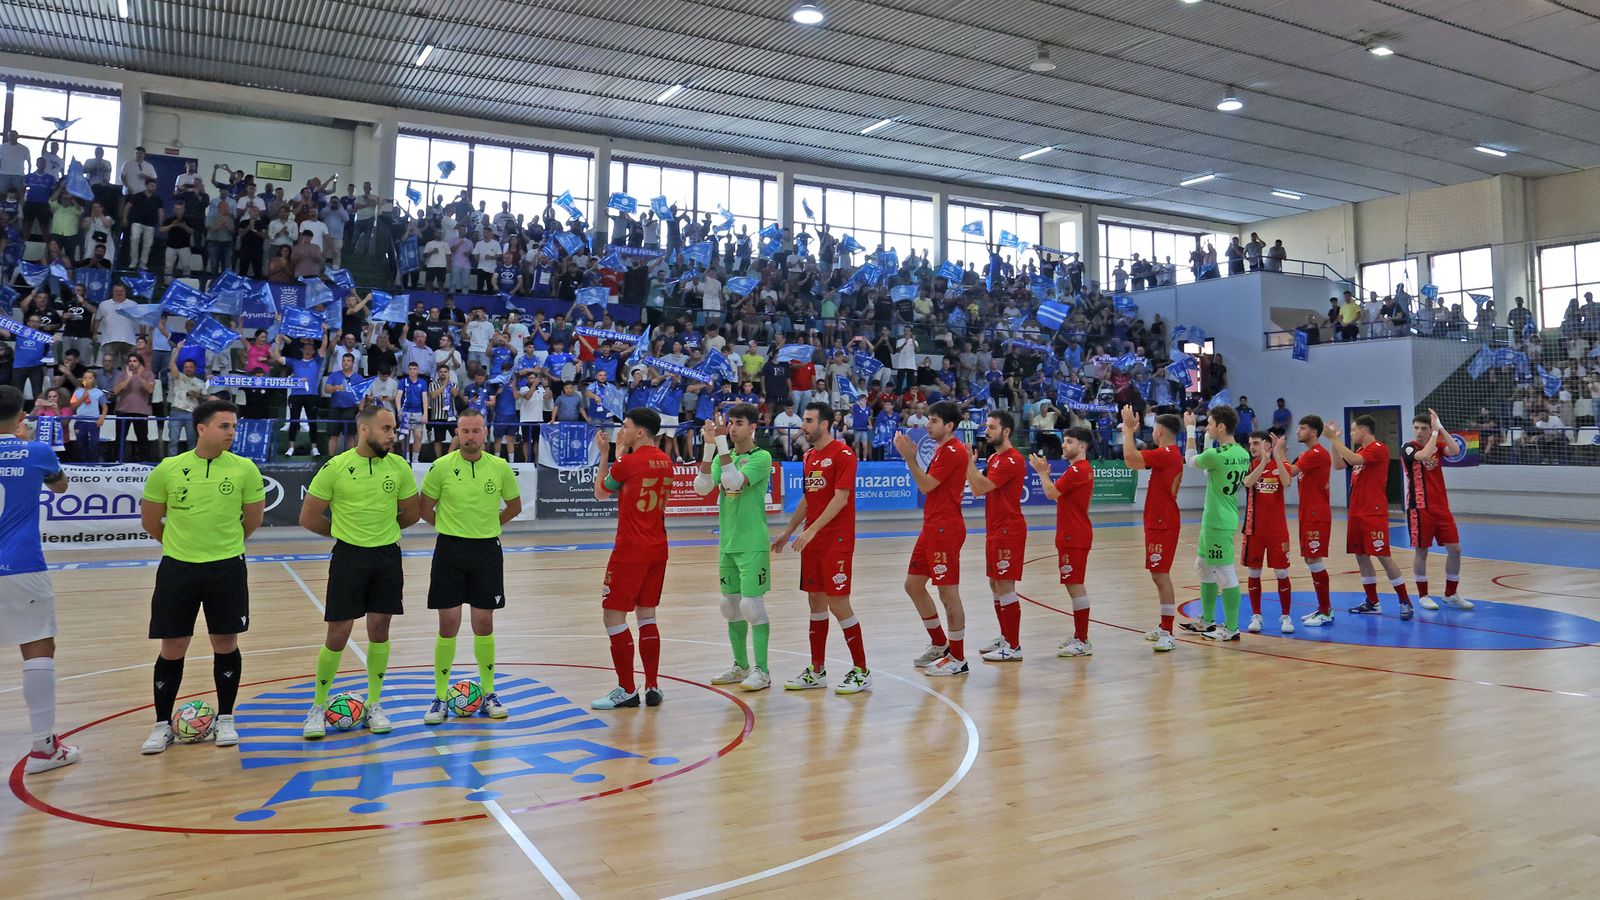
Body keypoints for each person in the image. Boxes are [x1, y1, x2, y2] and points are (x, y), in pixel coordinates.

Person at [137, 399, 265, 754]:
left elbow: (253, 520)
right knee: (173, 646)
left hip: (227, 567)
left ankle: (225, 718)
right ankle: (161, 725)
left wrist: (222, 545)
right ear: (201, 428)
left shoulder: (245, 469)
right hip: (178, 568)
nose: (232, 432)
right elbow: (151, 521)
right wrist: (182, 546)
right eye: (225, 426)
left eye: (234, 426)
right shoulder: (168, 468)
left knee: (225, 642)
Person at [297, 406, 421, 738]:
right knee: (338, 633)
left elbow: (411, 514)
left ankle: (374, 704)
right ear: (364, 430)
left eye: (393, 428)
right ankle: (317, 707)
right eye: (386, 428)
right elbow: (308, 517)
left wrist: (381, 531)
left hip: (387, 557)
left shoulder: (399, 467)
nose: (393, 435)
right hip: (348, 558)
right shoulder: (336, 467)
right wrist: (345, 532)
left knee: (380, 629)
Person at [418, 409, 521, 724]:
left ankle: (489, 693)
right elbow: (425, 507)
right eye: (465, 431)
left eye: (476, 431)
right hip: (449, 550)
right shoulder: (441, 467)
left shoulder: (499, 467)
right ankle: (439, 697)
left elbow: (514, 506)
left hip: (486, 551)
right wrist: (450, 528)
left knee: (483, 623)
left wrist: (489, 526)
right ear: (457, 433)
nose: (471, 437)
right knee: (448, 625)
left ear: (485, 433)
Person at [0, 385, 77, 774]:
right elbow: (61, 485)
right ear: (21, 416)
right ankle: (43, 748)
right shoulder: (36, 452)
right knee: (38, 648)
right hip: (22, 565)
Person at [772, 401, 871, 694]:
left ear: (825, 424)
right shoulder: (809, 456)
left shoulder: (843, 454)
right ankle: (817, 671)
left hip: (836, 540)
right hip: (812, 542)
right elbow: (808, 499)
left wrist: (812, 530)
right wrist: (788, 531)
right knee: (815, 602)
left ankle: (862, 671)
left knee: (838, 603)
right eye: (804, 420)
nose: (804, 425)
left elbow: (841, 498)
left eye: (809, 420)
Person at [589, 408, 672, 709]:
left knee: (613, 615)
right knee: (647, 615)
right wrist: (621, 453)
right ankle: (652, 685)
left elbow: (601, 492)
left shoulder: (628, 462)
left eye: (625, 426)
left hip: (630, 550)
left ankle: (626, 689)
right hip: (657, 548)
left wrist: (604, 455)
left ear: (639, 432)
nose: (620, 431)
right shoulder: (666, 461)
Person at [694, 405, 775, 691]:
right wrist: (708, 448)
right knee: (729, 606)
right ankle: (740, 666)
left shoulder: (761, 457)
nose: (731, 428)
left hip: (752, 543)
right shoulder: (722, 456)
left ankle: (762, 671)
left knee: (752, 606)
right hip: (727, 543)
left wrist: (719, 442)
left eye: (739, 423)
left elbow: (733, 483)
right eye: (730, 423)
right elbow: (702, 487)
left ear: (753, 427)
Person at [894, 400, 970, 676]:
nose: (928, 425)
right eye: (928, 419)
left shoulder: (952, 451)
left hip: (945, 529)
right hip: (932, 527)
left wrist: (909, 458)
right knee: (913, 585)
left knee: (948, 593)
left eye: (934, 421)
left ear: (949, 426)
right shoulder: (942, 450)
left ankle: (958, 659)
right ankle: (940, 644)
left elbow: (926, 486)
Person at [1327, 415, 1413, 618]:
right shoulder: (1360, 451)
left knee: (1383, 556)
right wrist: (1333, 442)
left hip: (1373, 513)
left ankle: (1405, 601)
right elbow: (1338, 465)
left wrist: (1334, 438)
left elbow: (1354, 460)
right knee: (1361, 556)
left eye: (1353, 430)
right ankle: (1372, 602)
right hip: (1356, 512)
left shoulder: (1378, 448)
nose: (1351, 434)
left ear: (1364, 430)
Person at [1179, 406, 1251, 640]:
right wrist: (1209, 441)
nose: (1206, 427)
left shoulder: (1216, 456)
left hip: (1218, 520)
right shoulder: (1242, 453)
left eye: (1209, 424)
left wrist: (1190, 429)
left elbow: (1191, 460)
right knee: (1203, 565)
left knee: (1224, 571)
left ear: (1221, 426)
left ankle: (1231, 628)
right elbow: (1210, 468)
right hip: (1220, 517)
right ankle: (1207, 621)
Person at [964, 410, 1027, 662]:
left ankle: (1013, 645)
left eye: (992, 427)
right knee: (994, 583)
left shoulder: (1012, 460)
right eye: (986, 427)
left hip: (1009, 530)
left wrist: (968, 464)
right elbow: (978, 488)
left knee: (1005, 585)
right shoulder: (993, 458)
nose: (986, 431)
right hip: (995, 528)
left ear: (1006, 431)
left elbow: (979, 487)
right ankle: (1005, 635)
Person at [1120, 406, 1184, 652]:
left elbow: (1130, 458)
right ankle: (1164, 625)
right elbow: (1134, 461)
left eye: (1154, 429)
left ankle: (1168, 631)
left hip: (1163, 523)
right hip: (1157, 521)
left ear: (1160, 431)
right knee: (1158, 574)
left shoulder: (1167, 453)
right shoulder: (1166, 454)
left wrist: (1128, 430)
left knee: (1161, 575)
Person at [1032, 426, 1096, 657]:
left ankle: (1082, 640)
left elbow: (1051, 493)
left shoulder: (1078, 470)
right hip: (1073, 533)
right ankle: (1079, 635)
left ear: (1082, 446)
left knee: (1075, 584)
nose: (1064, 445)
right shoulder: (1081, 469)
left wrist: (1042, 473)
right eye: (1064, 440)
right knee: (1073, 583)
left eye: (1069, 441)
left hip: (1073, 535)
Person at [1403, 410, 1471, 611]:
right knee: (1422, 551)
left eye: (1424, 428)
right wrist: (1434, 433)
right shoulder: (1408, 447)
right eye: (1416, 428)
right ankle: (1423, 595)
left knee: (1455, 549)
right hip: (1419, 508)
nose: (1419, 432)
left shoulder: (1438, 445)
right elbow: (1424, 455)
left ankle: (1451, 594)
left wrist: (1440, 428)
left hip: (1441, 507)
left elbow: (1455, 450)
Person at [1272, 416, 1334, 626]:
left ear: (1314, 432)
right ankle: (1323, 608)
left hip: (1317, 515)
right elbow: (1288, 474)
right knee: (1310, 559)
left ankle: (1326, 611)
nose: (1298, 431)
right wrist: (1282, 454)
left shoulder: (1317, 454)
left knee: (1315, 560)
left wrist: (1278, 452)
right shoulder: (1307, 454)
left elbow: (1288, 473)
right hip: (1307, 514)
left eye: (1303, 428)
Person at [1240, 431, 1294, 634]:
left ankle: (1286, 616)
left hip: (1277, 531)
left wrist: (1277, 457)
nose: (1252, 447)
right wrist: (1262, 462)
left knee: (1281, 573)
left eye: (1256, 443)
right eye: (1250, 443)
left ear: (1268, 446)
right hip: (1254, 530)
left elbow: (1287, 482)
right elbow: (1247, 482)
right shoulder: (1251, 465)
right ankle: (1256, 615)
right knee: (1254, 572)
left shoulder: (1281, 464)